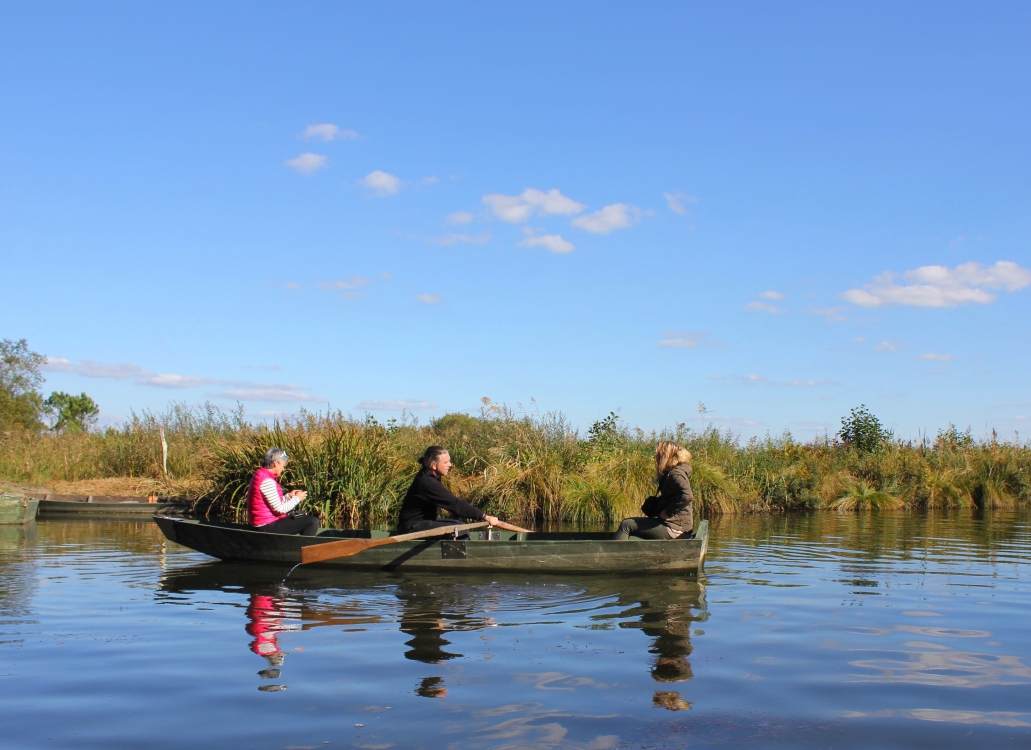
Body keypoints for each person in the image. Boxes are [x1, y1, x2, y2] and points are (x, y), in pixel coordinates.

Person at [397, 446, 499, 534]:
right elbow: (454, 504)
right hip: (411, 527)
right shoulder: (427, 482)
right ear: (433, 465)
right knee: (460, 529)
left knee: (460, 525)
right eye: (446, 462)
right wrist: (484, 516)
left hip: (421, 523)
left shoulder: (430, 476)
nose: (450, 465)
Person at [612, 440, 694, 541]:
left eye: (658, 454)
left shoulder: (675, 474)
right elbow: (673, 496)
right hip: (676, 525)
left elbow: (687, 495)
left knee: (626, 524)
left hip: (675, 528)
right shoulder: (673, 472)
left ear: (665, 456)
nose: (655, 458)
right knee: (630, 523)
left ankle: (614, 555)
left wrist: (667, 513)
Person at [247, 447, 320, 536]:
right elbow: (279, 510)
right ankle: (302, 549)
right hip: (265, 526)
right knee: (313, 522)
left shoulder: (260, 475)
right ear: (275, 464)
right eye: (283, 465)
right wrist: (297, 499)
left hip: (264, 523)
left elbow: (273, 503)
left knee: (302, 516)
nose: (283, 469)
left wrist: (288, 496)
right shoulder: (267, 481)